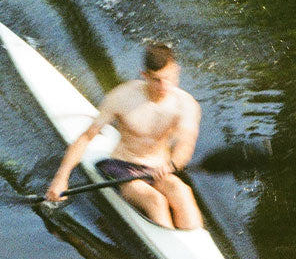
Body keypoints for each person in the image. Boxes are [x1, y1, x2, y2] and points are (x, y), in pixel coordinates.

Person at [45, 41, 203, 230]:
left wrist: (171, 164)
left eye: (169, 78)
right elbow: (87, 137)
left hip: (159, 169)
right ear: (144, 75)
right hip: (122, 168)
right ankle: (171, 245)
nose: (164, 86)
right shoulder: (122, 96)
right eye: (156, 80)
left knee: (182, 191)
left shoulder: (186, 105)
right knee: (156, 201)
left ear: (177, 70)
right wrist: (61, 178)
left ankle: (197, 245)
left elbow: (185, 145)